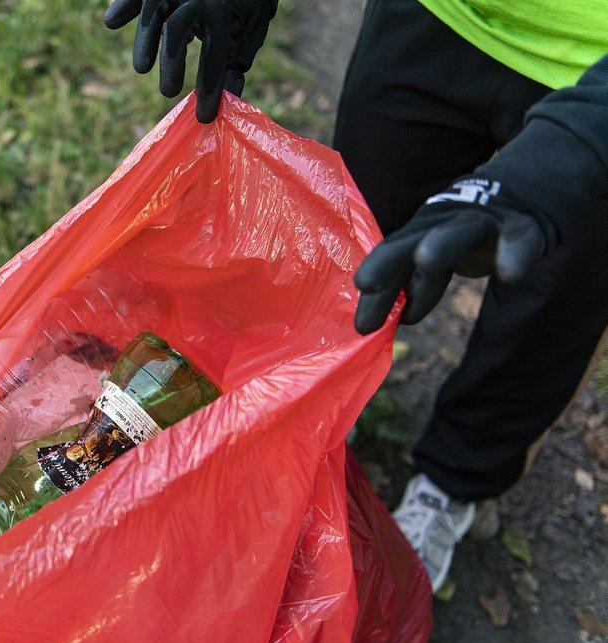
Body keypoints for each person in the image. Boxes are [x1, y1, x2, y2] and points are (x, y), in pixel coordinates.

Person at [103, 0, 608, 591]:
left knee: (547, 309)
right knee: (353, 248)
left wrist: (576, 152)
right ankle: (305, 430)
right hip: (438, 16)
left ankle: (456, 483)